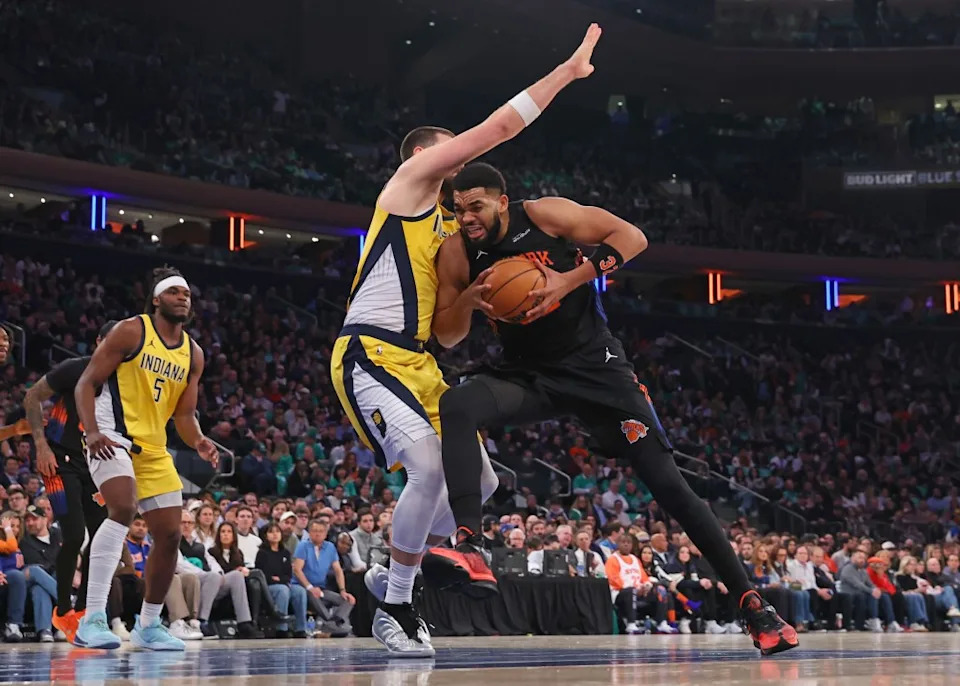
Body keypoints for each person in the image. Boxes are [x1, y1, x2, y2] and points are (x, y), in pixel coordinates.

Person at [431, 161, 798, 655]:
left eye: (475, 206)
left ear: (501, 201)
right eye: (457, 209)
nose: (466, 217)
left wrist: (568, 280)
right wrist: (471, 301)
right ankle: (470, 544)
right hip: (528, 374)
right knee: (457, 404)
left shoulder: (544, 214)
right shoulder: (457, 251)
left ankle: (753, 603)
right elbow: (447, 335)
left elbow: (633, 238)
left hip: (596, 370)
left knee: (670, 485)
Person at [328, 24, 603, 658]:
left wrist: (473, 302)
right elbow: (499, 130)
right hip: (370, 351)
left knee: (475, 487)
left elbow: (448, 336)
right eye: (451, 154)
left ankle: (391, 570)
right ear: (423, 159)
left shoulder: (454, 236)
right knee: (427, 468)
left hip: (419, 361)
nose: (460, 167)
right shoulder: (404, 192)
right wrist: (565, 73)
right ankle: (394, 605)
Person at [73, 267, 219, 650]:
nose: (182, 296)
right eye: (173, 291)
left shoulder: (194, 353)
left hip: (154, 448)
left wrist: (199, 440)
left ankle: (149, 626)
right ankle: (92, 620)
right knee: (121, 509)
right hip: (111, 436)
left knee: (170, 534)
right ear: (156, 299)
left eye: (186, 292)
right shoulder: (131, 330)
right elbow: (85, 382)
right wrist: (91, 432)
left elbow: (184, 416)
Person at [22, 320, 117, 643]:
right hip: (59, 459)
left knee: (104, 537)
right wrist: (40, 445)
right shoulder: (74, 368)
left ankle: (89, 611)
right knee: (75, 534)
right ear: (98, 340)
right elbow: (32, 397)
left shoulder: (124, 381)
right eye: (110, 341)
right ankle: (63, 610)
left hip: (97, 464)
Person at [292, 519, 355, 636]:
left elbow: (338, 570)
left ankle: (330, 625)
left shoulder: (330, 547)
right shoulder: (303, 546)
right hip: (303, 587)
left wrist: (343, 590)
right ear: (309, 532)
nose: (317, 533)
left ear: (326, 534)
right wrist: (310, 587)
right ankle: (333, 625)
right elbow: (297, 570)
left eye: (321, 531)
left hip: (321, 588)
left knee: (348, 600)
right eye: (314, 531)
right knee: (313, 594)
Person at [206, 522, 264, 639]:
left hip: (237, 590)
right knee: (255, 574)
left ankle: (253, 622)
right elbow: (215, 573)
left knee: (253, 580)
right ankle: (252, 621)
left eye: (229, 532)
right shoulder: (212, 552)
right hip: (219, 588)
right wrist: (236, 571)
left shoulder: (238, 553)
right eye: (223, 532)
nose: (226, 535)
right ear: (218, 535)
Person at [256, 524, 308, 638]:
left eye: (277, 531)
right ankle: (281, 628)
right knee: (283, 590)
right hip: (268, 586)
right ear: (265, 535)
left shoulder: (285, 552)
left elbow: (288, 574)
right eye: (271, 532)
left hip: (283, 583)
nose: (275, 534)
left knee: (300, 591)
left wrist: (280, 579)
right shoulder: (262, 553)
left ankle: (301, 628)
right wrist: (279, 579)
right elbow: (263, 574)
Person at [20, 504, 62, 642]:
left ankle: (45, 630)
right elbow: (39, 564)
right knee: (36, 570)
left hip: (44, 583)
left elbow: (71, 557)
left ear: (45, 519)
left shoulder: (58, 536)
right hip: (27, 579)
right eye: (27, 520)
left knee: (40, 590)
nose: (30, 523)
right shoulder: (24, 541)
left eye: (34, 519)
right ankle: (66, 601)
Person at [0, 511, 26, 642]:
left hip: (18, 582)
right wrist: (7, 529)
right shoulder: (5, 542)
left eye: (17, 526)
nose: (15, 529)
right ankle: (13, 625)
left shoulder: (22, 544)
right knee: (18, 576)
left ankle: (47, 630)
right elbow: (11, 546)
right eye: (11, 525)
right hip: (5, 579)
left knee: (39, 585)